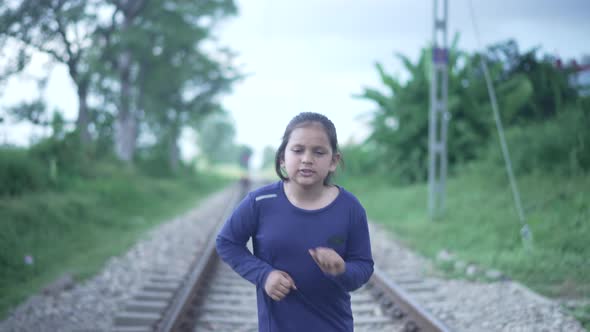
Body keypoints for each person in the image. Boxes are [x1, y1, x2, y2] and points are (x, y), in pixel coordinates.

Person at [216, 112, 374, 331]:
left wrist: (342, 269)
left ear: (333, 161)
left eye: (318, 152)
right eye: (298, 150)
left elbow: (364, 266)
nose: (307, 159)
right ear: (282, 157)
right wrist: (264, 275)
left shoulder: (349, 208)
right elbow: (227, 242)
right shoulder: (260, 202)